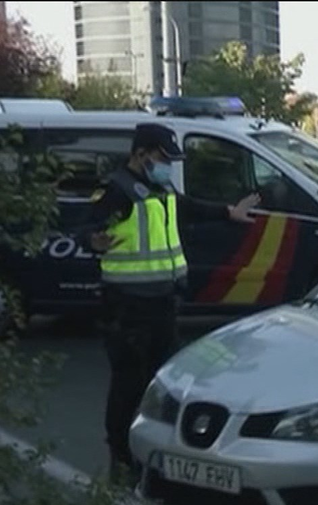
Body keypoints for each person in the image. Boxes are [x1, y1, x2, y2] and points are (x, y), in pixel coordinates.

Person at [88, 123, 258, 480]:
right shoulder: (118, 191)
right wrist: (93, 240)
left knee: (164, 384)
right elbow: (87, 224)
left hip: (163, 302)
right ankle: (120, 458)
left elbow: (186, 207)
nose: (167, 164)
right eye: (162, 158)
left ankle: (153, 454)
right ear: (140, 154)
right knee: (128, 385)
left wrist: (228, 212)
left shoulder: (158, 187)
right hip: (127, 306)